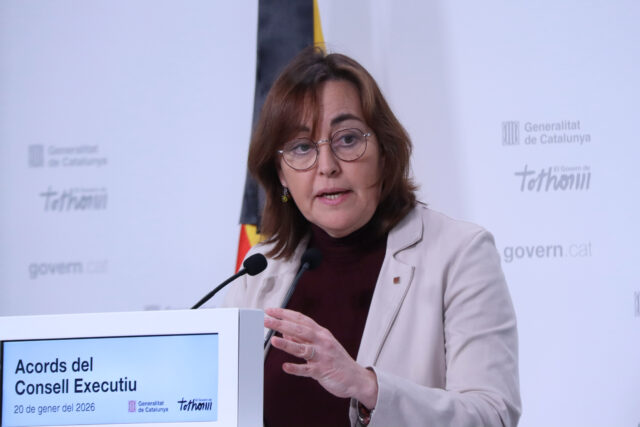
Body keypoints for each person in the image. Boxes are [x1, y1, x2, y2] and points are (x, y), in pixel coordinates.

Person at [224, 47, 521, 427]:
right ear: (281, 173)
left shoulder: (459, 254)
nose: (327, 167)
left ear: (384, 150)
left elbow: (492, 415)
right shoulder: (261, 267)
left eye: (347, 139)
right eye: (301, 147)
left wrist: (368, 387)